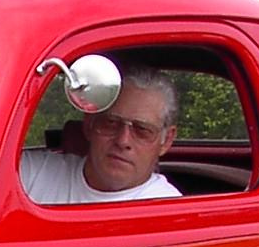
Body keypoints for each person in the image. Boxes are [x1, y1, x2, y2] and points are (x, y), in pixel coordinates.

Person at [19, 65, 181, 204]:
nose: (123, 140)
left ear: (166, 140)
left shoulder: (169, 211)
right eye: (111, 123)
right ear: (89, 124)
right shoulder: (33, 172)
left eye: (142, 130)